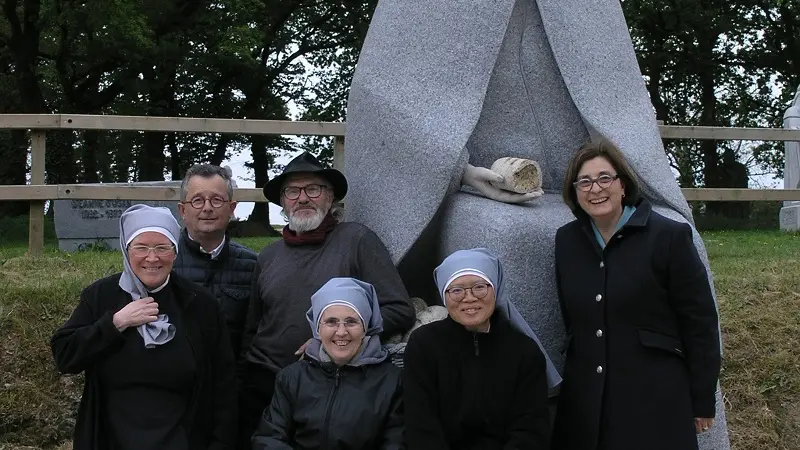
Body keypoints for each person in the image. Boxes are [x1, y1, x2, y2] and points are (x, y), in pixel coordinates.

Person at [551, 139, 722, 450]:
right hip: (588, 402)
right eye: (584, 182)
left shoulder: (669, 237)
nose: (595, 189)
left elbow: (700, 323)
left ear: (623, 185)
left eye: (605, 178)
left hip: (655, 399)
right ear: (574, 192)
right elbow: (572, 318)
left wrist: (701, 399)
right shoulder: (567, 241)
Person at [238, 151, 415, 448]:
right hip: (263, 383)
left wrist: (330, 340)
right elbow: (252, 327)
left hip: (329, 386)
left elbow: (399, 308)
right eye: (292, 191)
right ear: (282, 201)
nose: (302, 198)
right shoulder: (269, 255)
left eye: (313, 189)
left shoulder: (357, 241)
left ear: (330, 197)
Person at [50, 204, 237, 449]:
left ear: (175, 252)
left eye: (162, 248)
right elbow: (65, 356)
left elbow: (223, 383)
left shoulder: (199, 303)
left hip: (181, 439)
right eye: (141, 248)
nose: (152, 258)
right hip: (111, 438)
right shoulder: (101, 296)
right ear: (126, 251)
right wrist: (116, 323)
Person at [403, 248, 551, 450]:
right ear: (444, 295)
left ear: (495, 289)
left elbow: (530, 429)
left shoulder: (524, 351)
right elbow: (420, 426)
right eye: (456, 290)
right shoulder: (423, 345)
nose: (469, 298)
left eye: (479, 287)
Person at [252, 277, 404, 449]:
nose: (341, 332)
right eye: (331, 322)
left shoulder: (392, 382)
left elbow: (395, 444)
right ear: (318, 329)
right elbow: (269, 438)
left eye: (351, 322)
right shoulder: (293, 378)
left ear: (365, 327)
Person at [174, 163, 258, 358]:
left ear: (232, 208)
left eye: (217, 200)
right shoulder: (163, 261)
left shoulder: (253, 265)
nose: (207, 208)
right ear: (182, 210)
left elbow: (253, 334)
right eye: (197, 200)